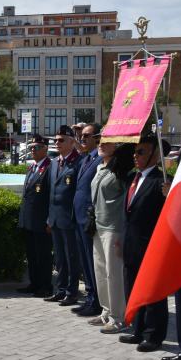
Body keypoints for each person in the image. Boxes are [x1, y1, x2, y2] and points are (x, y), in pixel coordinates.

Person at [119, 133, 171, 352]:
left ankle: (154, 335)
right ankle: (137, 329)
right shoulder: (135, 177)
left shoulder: (161, 182)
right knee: (134, 289)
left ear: (155, 155)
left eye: (141, 151)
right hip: (132, 244)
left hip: (151, 245)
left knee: (153, 293)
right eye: (135, 151)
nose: (135, 155)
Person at [89, 139, 134, 333]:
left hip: (114, 227)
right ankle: (106, 311)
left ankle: (119, 317)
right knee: (100, 271)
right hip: (98, 226)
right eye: (100, 141)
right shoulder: (101, 168)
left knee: (113, 273)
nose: (101, 144)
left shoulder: (123, 171)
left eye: (107, 142)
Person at [44, 125, 83, 306]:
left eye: (61, 140)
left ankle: (72, 292)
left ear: (71, 142)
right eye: (55, 140)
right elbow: (52, 192)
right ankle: (60, 290)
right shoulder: (54, 163)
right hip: (55, 218)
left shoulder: (78, 162)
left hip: (69, 219)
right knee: (59, 258)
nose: (57, 143)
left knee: (71, 257)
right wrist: (49, 218)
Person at [71, 123, 103, 317]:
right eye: (81, 136)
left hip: (90, 219)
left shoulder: (100, 159)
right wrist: (77, 137)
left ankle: (98, 301)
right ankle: (90, 297)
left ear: (97, 138)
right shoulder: (85, 159)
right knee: (85, 262)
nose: (82, 139)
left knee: (93, 263)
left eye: (86, 136)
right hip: (79, 218)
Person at [16, 134, 53, 297]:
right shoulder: (32, 167)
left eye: (37, 147)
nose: (33, 150)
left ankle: (45, 286)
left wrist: (50, 220)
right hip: (28, 219)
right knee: (31, 255)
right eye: (31, 147)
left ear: (45, 149)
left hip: (41, 220)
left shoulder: (50, 167)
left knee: (43, 256)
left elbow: (52, 196)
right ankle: (34, 283)